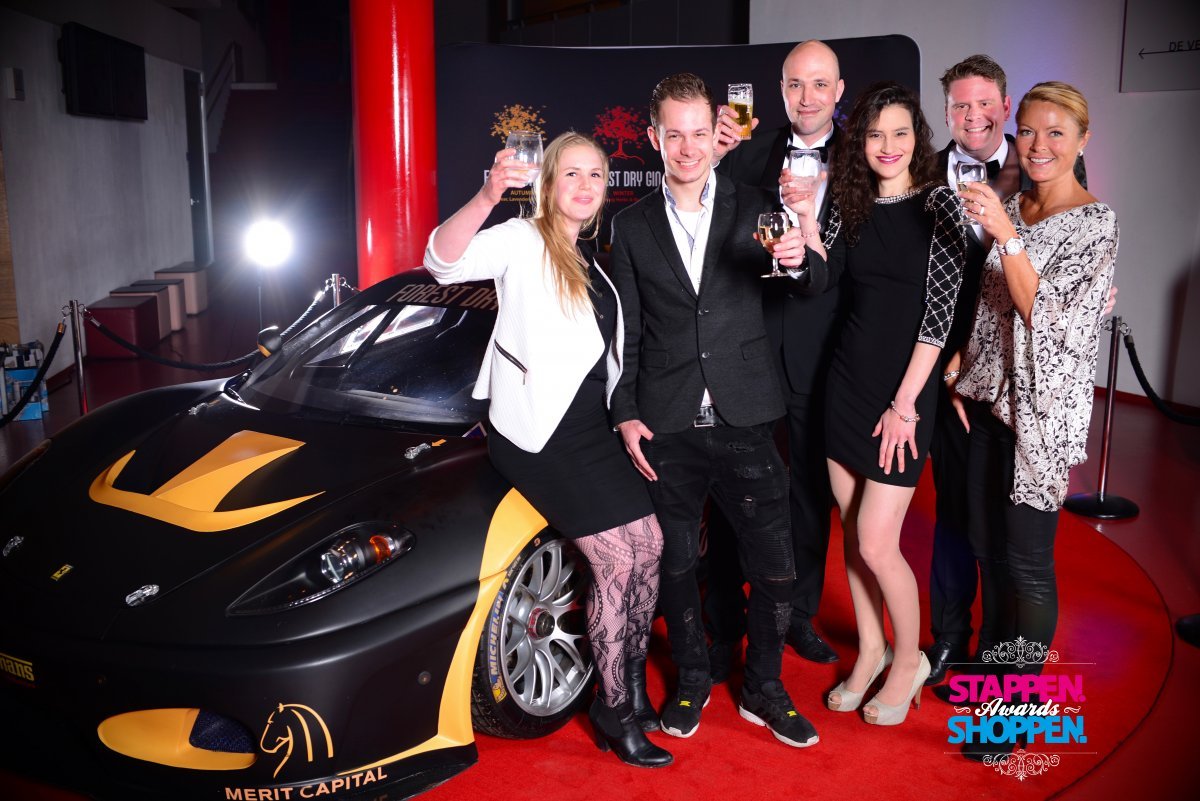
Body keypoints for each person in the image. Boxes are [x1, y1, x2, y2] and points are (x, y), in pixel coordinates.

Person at [423, 131, 672, 768]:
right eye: (572, 174)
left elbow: (607, 360)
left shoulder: (594, 258)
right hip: (539, 434)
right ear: (549, 182)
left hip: (592, 427)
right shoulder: (522, 238)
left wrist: (625, 417)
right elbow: (442, 262)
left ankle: (630, 686)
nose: (585, 186)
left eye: (596, 175)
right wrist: (487, 195)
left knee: (650, 546)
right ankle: (614, 709)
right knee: (617, 559)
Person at [608, 72, 818, 748]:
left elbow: (807, 279)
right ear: (654, 138)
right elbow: (626, 331)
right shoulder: (630, 225)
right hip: (665, 421)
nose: (689, 147)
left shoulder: (756, 204)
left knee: (775, 565)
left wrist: (798, 259)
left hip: (747, 412)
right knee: (675, 565)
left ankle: (764, 685)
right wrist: (624, 411)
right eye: (675, 134)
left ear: (714, 133)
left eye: (700, 132)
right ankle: (693, 676)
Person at [925, 56, 1105, 689]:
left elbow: (1046, 317)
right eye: (1028, 131)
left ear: (1082, 140)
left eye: (1056, 133)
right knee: (988, 551)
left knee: (1026, 565)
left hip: (1040, 420)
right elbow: (990, 306)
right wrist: (960, 371)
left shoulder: (1095, 223)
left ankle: (1014, 702)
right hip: (985, 406)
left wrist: (1005, 236)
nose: (1038, 144)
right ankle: (989, 675)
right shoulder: (1019, 205)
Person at [790, 81, 964, 726]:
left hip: (905, 394)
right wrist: (806, 221)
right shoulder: (851, 201)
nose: (887, 146)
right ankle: (870, 650)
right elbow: (823, 275)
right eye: (874, 134)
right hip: (846, 382)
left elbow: (939, 319)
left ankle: (909, 659)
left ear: (917, 138)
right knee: (851, 530)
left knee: (877, 542)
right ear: (859, 142)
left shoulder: (940, 207)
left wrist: (906, 404)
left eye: (899, 133)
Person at [702, 38, 846, 674]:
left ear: (839, 91)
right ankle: (725, 619)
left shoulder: (866, 160)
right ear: (780, 90)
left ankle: (798, 615)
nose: (806, 98)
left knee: (811, 494)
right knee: (734, 489)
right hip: (748, 350)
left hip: (824, 353)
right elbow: (701, 221)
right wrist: (714, 154)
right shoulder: (747, 154)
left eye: (819, 84)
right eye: (794, 84)